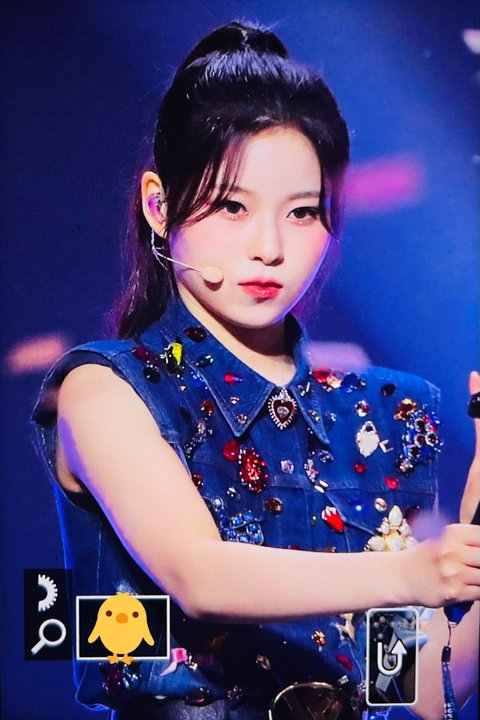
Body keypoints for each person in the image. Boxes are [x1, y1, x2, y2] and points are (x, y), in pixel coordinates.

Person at [32, 20, 479, 720]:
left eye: (302, 213)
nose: (268, 247)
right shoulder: (106, 390)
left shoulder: (381, 413)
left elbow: (415, 688)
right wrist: (409, 571)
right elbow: (199, 577)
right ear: (159, 206)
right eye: (232, 206)